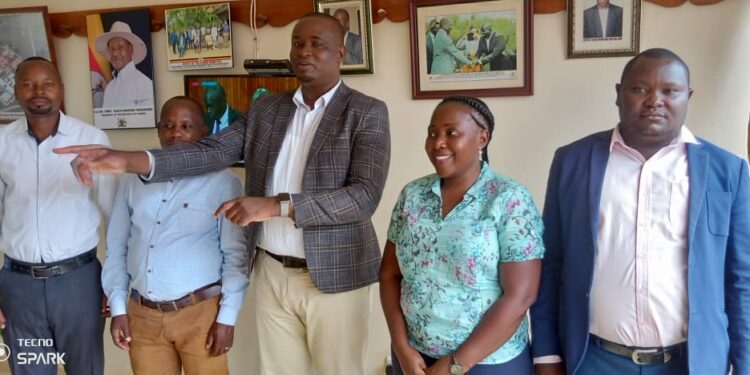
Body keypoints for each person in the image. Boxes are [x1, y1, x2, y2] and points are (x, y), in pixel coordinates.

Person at [56, 12, 391, 375]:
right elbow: (210, 151)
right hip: (272, 270)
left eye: (317, 44)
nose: (305, 51)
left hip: (336, 273)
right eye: (298, 43)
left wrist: (276, 206)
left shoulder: (365, 112)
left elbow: (363, 197)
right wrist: (126, 159)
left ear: (340, 53)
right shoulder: (268, 110)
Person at [530, 48, 750, 375]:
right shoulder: (572, 161)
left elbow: (741, 279)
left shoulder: (728, 171)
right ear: (619, 94)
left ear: (687, 97)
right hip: (593, 360)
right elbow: (550, 264)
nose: (654, 100)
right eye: (640, 89)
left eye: (669, 91)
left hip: (692, 363)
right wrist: (546, 356)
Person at [380, 96, 544, 375]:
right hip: (415, 360)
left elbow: (521, 296)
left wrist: (455, 365)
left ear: (482, 138)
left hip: (488, 363)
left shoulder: (509, 198)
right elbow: (389, 275)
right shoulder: (412, 195)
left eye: (451, 133)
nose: (437, 143)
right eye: (432, 133)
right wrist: (401, 347)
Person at [102, 96, 248, 375]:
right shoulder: (134, 179)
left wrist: (227, 317)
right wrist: (119, 308)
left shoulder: (223, 182)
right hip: (142, 314)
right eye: (168, 125)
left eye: (185, 126)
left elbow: (235, 255)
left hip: (200, 314)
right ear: (158, 130)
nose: (175, 133)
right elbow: (117, 246)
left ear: (203, 133)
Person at [0, 57, 116, 375]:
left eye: (47, 84)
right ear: (15, 91)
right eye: (28, 84)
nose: (39, 91)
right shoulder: (2, 144)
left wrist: (115, 283)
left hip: (78, 283)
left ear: (61, 90)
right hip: (18, 287)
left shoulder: (92, 140)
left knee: (85, 369)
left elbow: (114, 216)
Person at [94, 21, 154, 108]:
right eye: (112, 48)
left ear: (131, 49)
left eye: (120, 47)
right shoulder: (110, 88)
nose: (115, 53)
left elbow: (147, 120)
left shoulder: (145, 84)